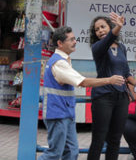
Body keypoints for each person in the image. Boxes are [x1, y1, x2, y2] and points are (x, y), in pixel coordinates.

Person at [39, 26, 125, 160]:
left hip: (66, 113)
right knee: (55, 153)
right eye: (71, 39)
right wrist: (110, 80)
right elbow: (83, 82)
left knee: (72, 152)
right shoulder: (59, 63)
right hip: (57, 113)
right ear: (60, 44)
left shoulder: (64, 60)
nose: (75, 42)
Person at [87, 12, 136, 160]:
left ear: (109, 26)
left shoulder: (121, 48)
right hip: (103, 97)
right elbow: (109, 39)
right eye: (97, 29)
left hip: (121, 98)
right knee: (99, 139)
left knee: (115, 139)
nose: (100, 30)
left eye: (103, 27)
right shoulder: (98, 47)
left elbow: (125, 72)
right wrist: (118, 26)